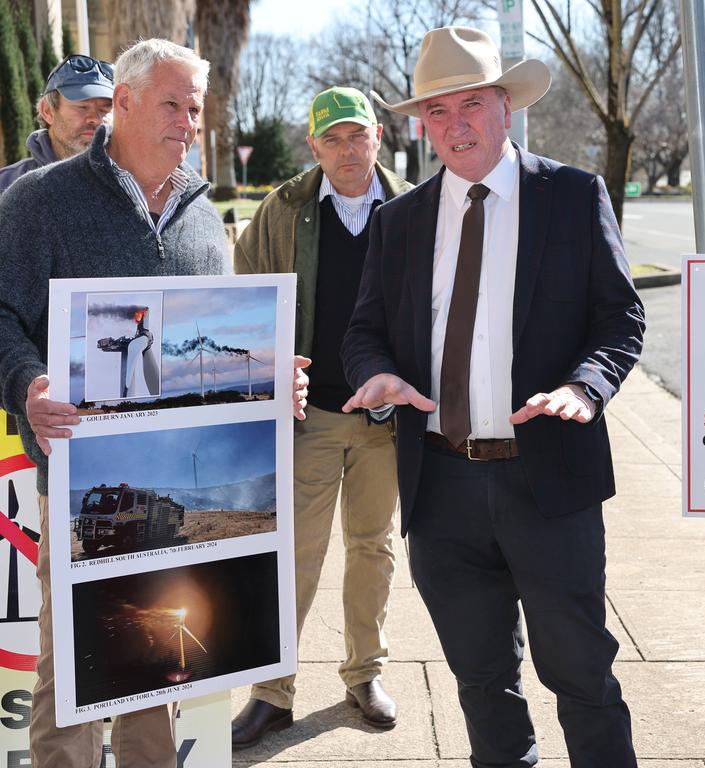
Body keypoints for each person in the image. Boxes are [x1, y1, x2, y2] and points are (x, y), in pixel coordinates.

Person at [0, 38, 308, 768]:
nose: (188, 121)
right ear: (125, 103)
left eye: (195, 108)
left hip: (160, 502)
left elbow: (207, 345)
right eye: (171, 103)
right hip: (77, 479)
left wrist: (270, 381)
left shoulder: (204, 217)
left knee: (151, 666)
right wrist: (26, 384)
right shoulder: (39, 202)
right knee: (74, 672)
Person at [342, 26, 644, 768]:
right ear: (420, 125)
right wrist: (374, 373)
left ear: (506, 107)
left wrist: (585, 384)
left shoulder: (571, 196)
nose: (455, 126)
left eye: (471, 104)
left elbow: (621, 318)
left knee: (580, 675)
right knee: (480, 679)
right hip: (439, 486)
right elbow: (365, 330)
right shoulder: (399, 220)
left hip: (549, 480)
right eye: (437, 113)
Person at [230, 86, 411, 747]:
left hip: (386, 419)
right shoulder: (285, 211)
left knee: (373, 548)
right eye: (331, 138)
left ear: (378, 138)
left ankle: (365, 675)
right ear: (313, 146)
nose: (346, 150)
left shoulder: (415, 207)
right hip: (311, 415)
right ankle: (272, 693)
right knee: (294, 556)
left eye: (356, 135)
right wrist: (270, 367)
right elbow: (243, 293)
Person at [0, 53, 114, 194]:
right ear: (47, 111)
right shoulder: (6, 186)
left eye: (105, 109)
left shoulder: (137, 183)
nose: (95, 119)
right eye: (82, 107)